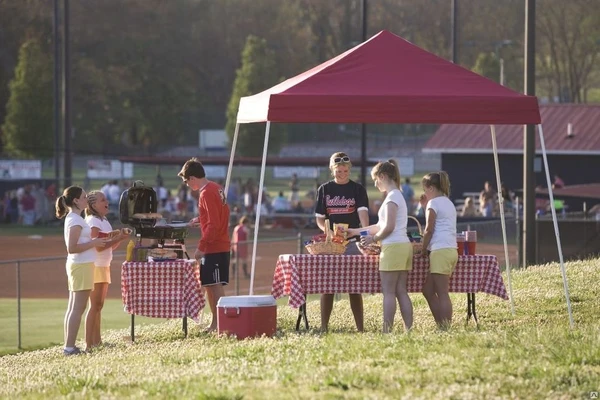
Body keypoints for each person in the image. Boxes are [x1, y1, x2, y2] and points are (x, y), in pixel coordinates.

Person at [346, 160, 413, 333]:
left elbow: (388, 227)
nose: (375, 184)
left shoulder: (392, 198)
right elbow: (380, 225)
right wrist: (355, 231)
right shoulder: (396, 195)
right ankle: (408, 330)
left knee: (389, 292)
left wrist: (373, 239)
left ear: (383, 176)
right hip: (402, 246)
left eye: (376, 179)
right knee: (401, 291)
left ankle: (387, 331)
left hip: (393, 247)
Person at [315, 152, 370, 332]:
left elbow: (363, 214)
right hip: (332, 243)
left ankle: (360, 328)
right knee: (328, 286)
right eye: (338, 170)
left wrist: (365, 232)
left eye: (345, 170)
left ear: (349, 169)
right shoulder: (324, 189)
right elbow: (320, 218)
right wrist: (329, 232)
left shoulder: (357, 189)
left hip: (352, 241)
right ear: (332, 170)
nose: (342, 173)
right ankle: (324, 328)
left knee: (354, 287)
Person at [179, 158, 230, 333]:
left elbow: (214, 224)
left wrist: (201, 246)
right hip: (218, 243)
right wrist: (200, 219)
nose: (187, 185)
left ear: (193, 178)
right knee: (210, 285)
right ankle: (216, 324)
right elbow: (217, 215)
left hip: (214, 246)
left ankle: (220, 324)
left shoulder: (206, 192)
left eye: (186, 181)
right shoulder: (217, 188)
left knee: (214, 286)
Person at [55, 186, 109, 355]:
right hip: (81, 265)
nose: (87, 199)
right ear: (76, 201)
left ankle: (69, 345)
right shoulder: (76, 220)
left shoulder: (74, 218)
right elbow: (72, 247)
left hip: (81, 265)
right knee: (78, 308)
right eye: (84, 197)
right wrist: (94, 243)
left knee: (74, 307)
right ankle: (70, 347)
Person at [84, 190, 129, 348]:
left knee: (98, 306)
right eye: (102, 200)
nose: (106, 202)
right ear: (93, 205)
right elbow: (98, 247)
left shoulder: (103, 221)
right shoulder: (93, 222)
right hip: (96, 266)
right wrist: (117, 238)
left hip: (103, 265)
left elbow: (110, 246)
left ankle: (97, 342)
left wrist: (119, 239)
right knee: (95, 306)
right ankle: (89, 344)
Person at [419, 171, 458, 329]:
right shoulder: (448, 202)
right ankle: (441, 324)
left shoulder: (433, 203)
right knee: (427, 290)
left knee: (442, 293)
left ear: (431, 188)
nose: (424, 193)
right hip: (450, 249)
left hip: (440, 250)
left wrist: (422, 248)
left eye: (425, 190)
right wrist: (424, 207)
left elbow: (429, 229)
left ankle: (446, 328)